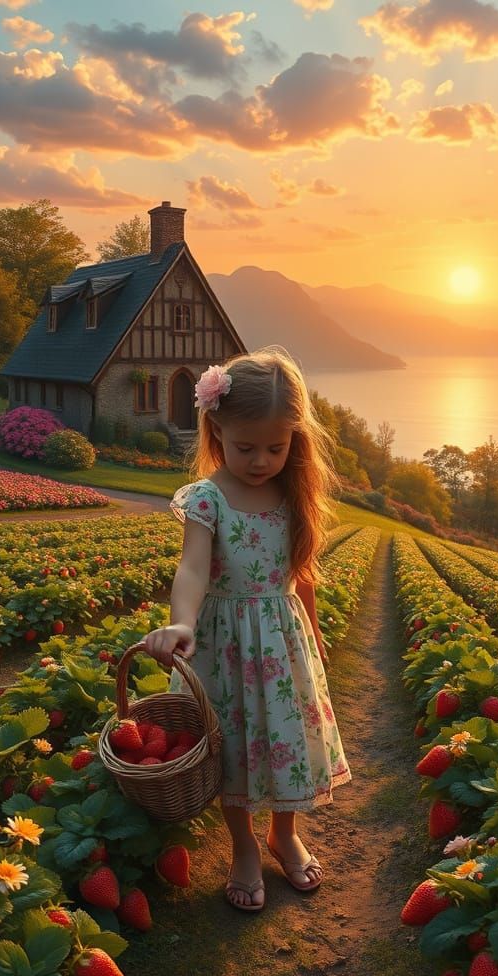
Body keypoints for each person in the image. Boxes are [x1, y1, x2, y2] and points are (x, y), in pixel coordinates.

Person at [142, 347, 351, 911]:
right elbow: (191, 568)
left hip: (282, 641)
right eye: (245, 447)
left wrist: (313, 634)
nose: (261, 460)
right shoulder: (207, 500)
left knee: (284, 738)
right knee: (228, 743)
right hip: (222, 641)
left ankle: (284, 834)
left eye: (276, 447)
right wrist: (180, 622)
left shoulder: (292, 495)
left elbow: (299, 572)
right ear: (216, 430)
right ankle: (244, 847)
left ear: (295, 441)